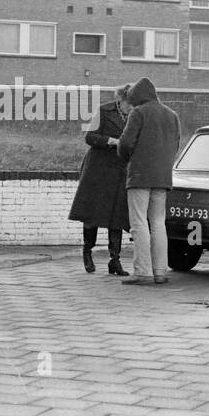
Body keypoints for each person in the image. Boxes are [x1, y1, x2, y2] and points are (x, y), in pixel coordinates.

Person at [117, 77, 181, 286]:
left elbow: (125, 144)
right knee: (158, 223)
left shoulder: (138, 113)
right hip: (162, 176)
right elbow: (176, 144)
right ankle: (160, 271)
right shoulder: (172, 115)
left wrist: (127, 157)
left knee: (138, 222)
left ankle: (143, 272)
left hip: (140, 175)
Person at [67, 85, 133, 276]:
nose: (131, 107)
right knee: (92, 213)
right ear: (120, 100)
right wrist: (111, 141)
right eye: (129, 103)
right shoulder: (104, 111)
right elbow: (89, 137)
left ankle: (115, 260)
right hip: (97, 167)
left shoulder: (134, 115)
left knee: (117, 215)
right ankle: (87, 252)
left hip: (119, 169)